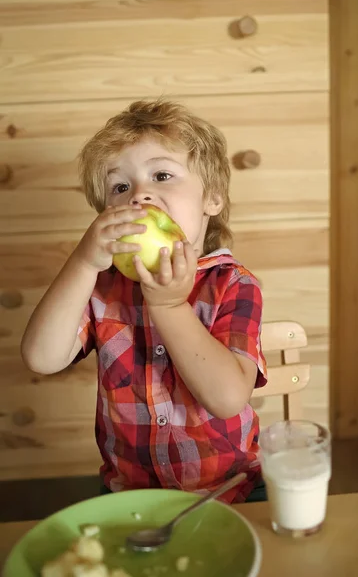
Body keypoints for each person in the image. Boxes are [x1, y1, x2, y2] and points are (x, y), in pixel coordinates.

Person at [21, 99, 268, 503]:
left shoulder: (232, 284)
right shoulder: (102, 285)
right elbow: (41, 357)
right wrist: (84, 261)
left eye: (162, 175)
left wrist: (169, 306)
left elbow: (226, 399)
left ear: (213, 199)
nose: (139, 196)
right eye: (120, 187)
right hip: (128, 497)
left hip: (228, 493)